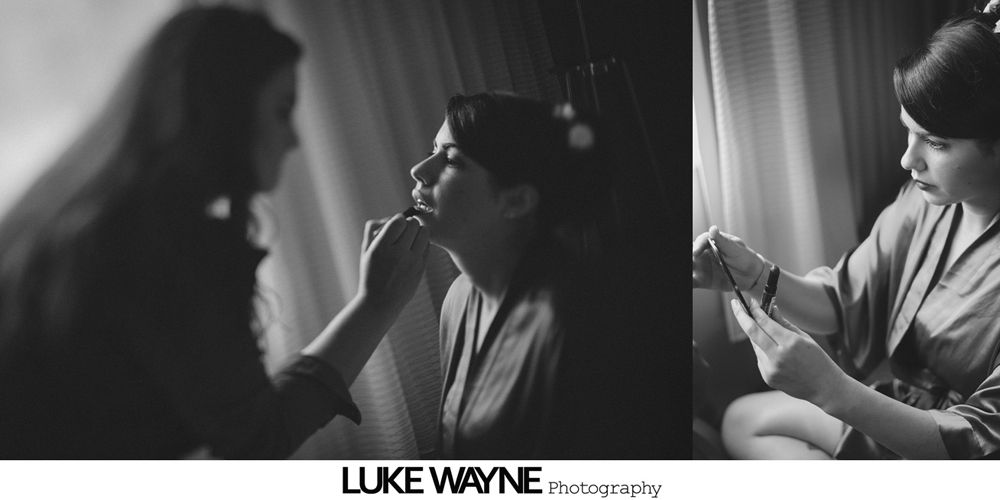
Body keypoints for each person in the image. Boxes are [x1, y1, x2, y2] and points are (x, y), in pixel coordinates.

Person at [0, 6, 428, 459]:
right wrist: (375, 305)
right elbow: (255, 440)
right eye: (282, 110)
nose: (294, 139)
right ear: (227, 110)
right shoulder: (162, 246)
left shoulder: (68, 216)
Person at [693, 5, 1000, 459]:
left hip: (945, 449)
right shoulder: (924, 200)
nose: (907, 160)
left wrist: (832, 390)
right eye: (908, 132)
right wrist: (756, 276)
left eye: (935, 143)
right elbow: (845, 299)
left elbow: (979, 445)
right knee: (741, 420)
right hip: (901, 402)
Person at [406, 91, 666, 458]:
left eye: (451, 159)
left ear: (516, 200)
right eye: (433, 148)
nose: (419, 169)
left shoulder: (574, 324)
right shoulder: (458, 299)